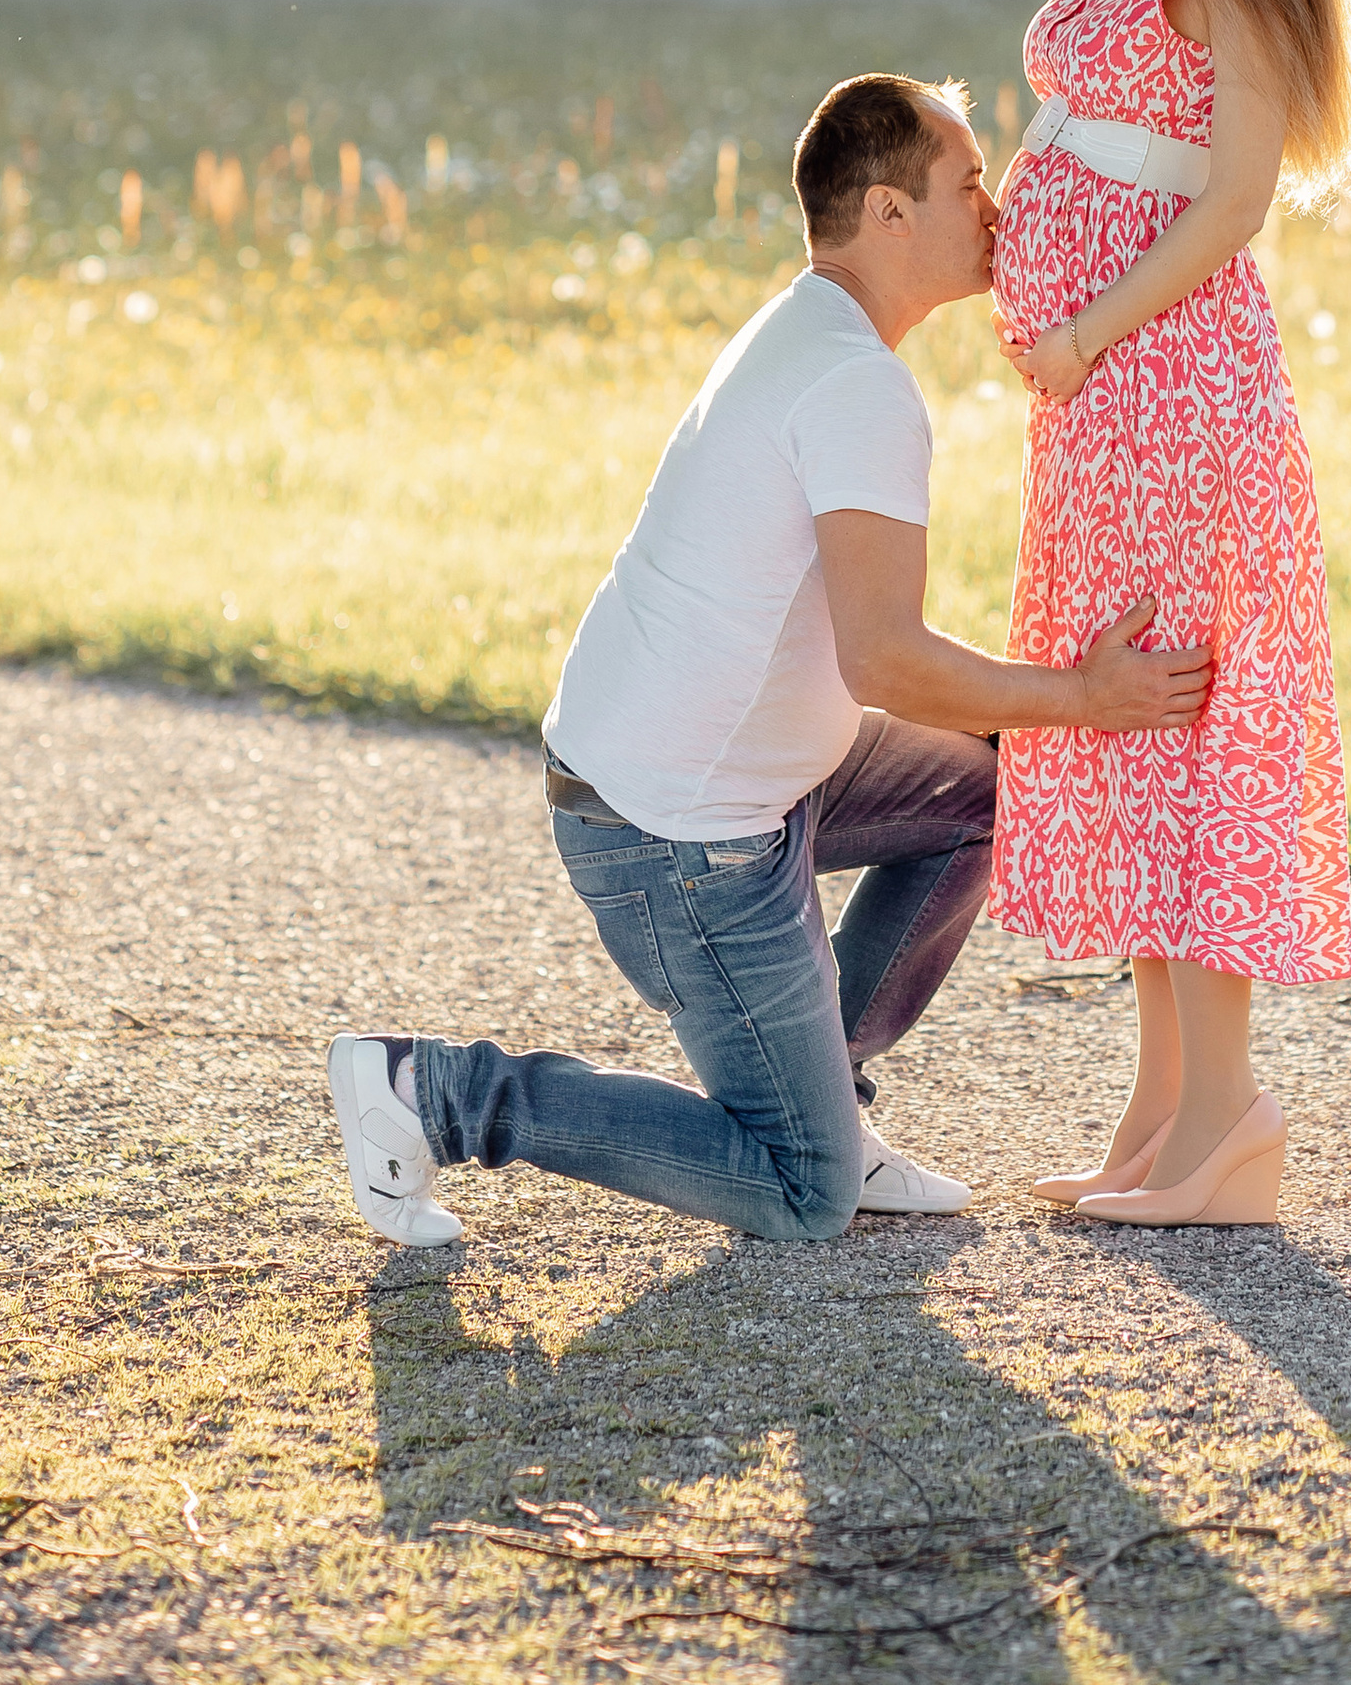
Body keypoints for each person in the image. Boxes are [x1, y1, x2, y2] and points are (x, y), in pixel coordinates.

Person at [326, 70, 1210, 1252]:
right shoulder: (854, 384)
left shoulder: (813, 329)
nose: (996, 207)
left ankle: (828, 1093)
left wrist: (1041, 717)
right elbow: (887, 658)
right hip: (675, 836)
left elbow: (874, 668)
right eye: (968, 182)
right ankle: (432, 1091)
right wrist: (1085, 699)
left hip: (742, 776)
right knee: (803, 1193)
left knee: (988, 784)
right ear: (888, 213)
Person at [991, 0, 1351, 1228]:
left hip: (1175, 386)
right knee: (1132, 719)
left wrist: (1083, 330)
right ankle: (1160, 1115)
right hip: (1111, 406)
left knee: (1188, 720)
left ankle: (1227, 1116)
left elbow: (1231, 202)